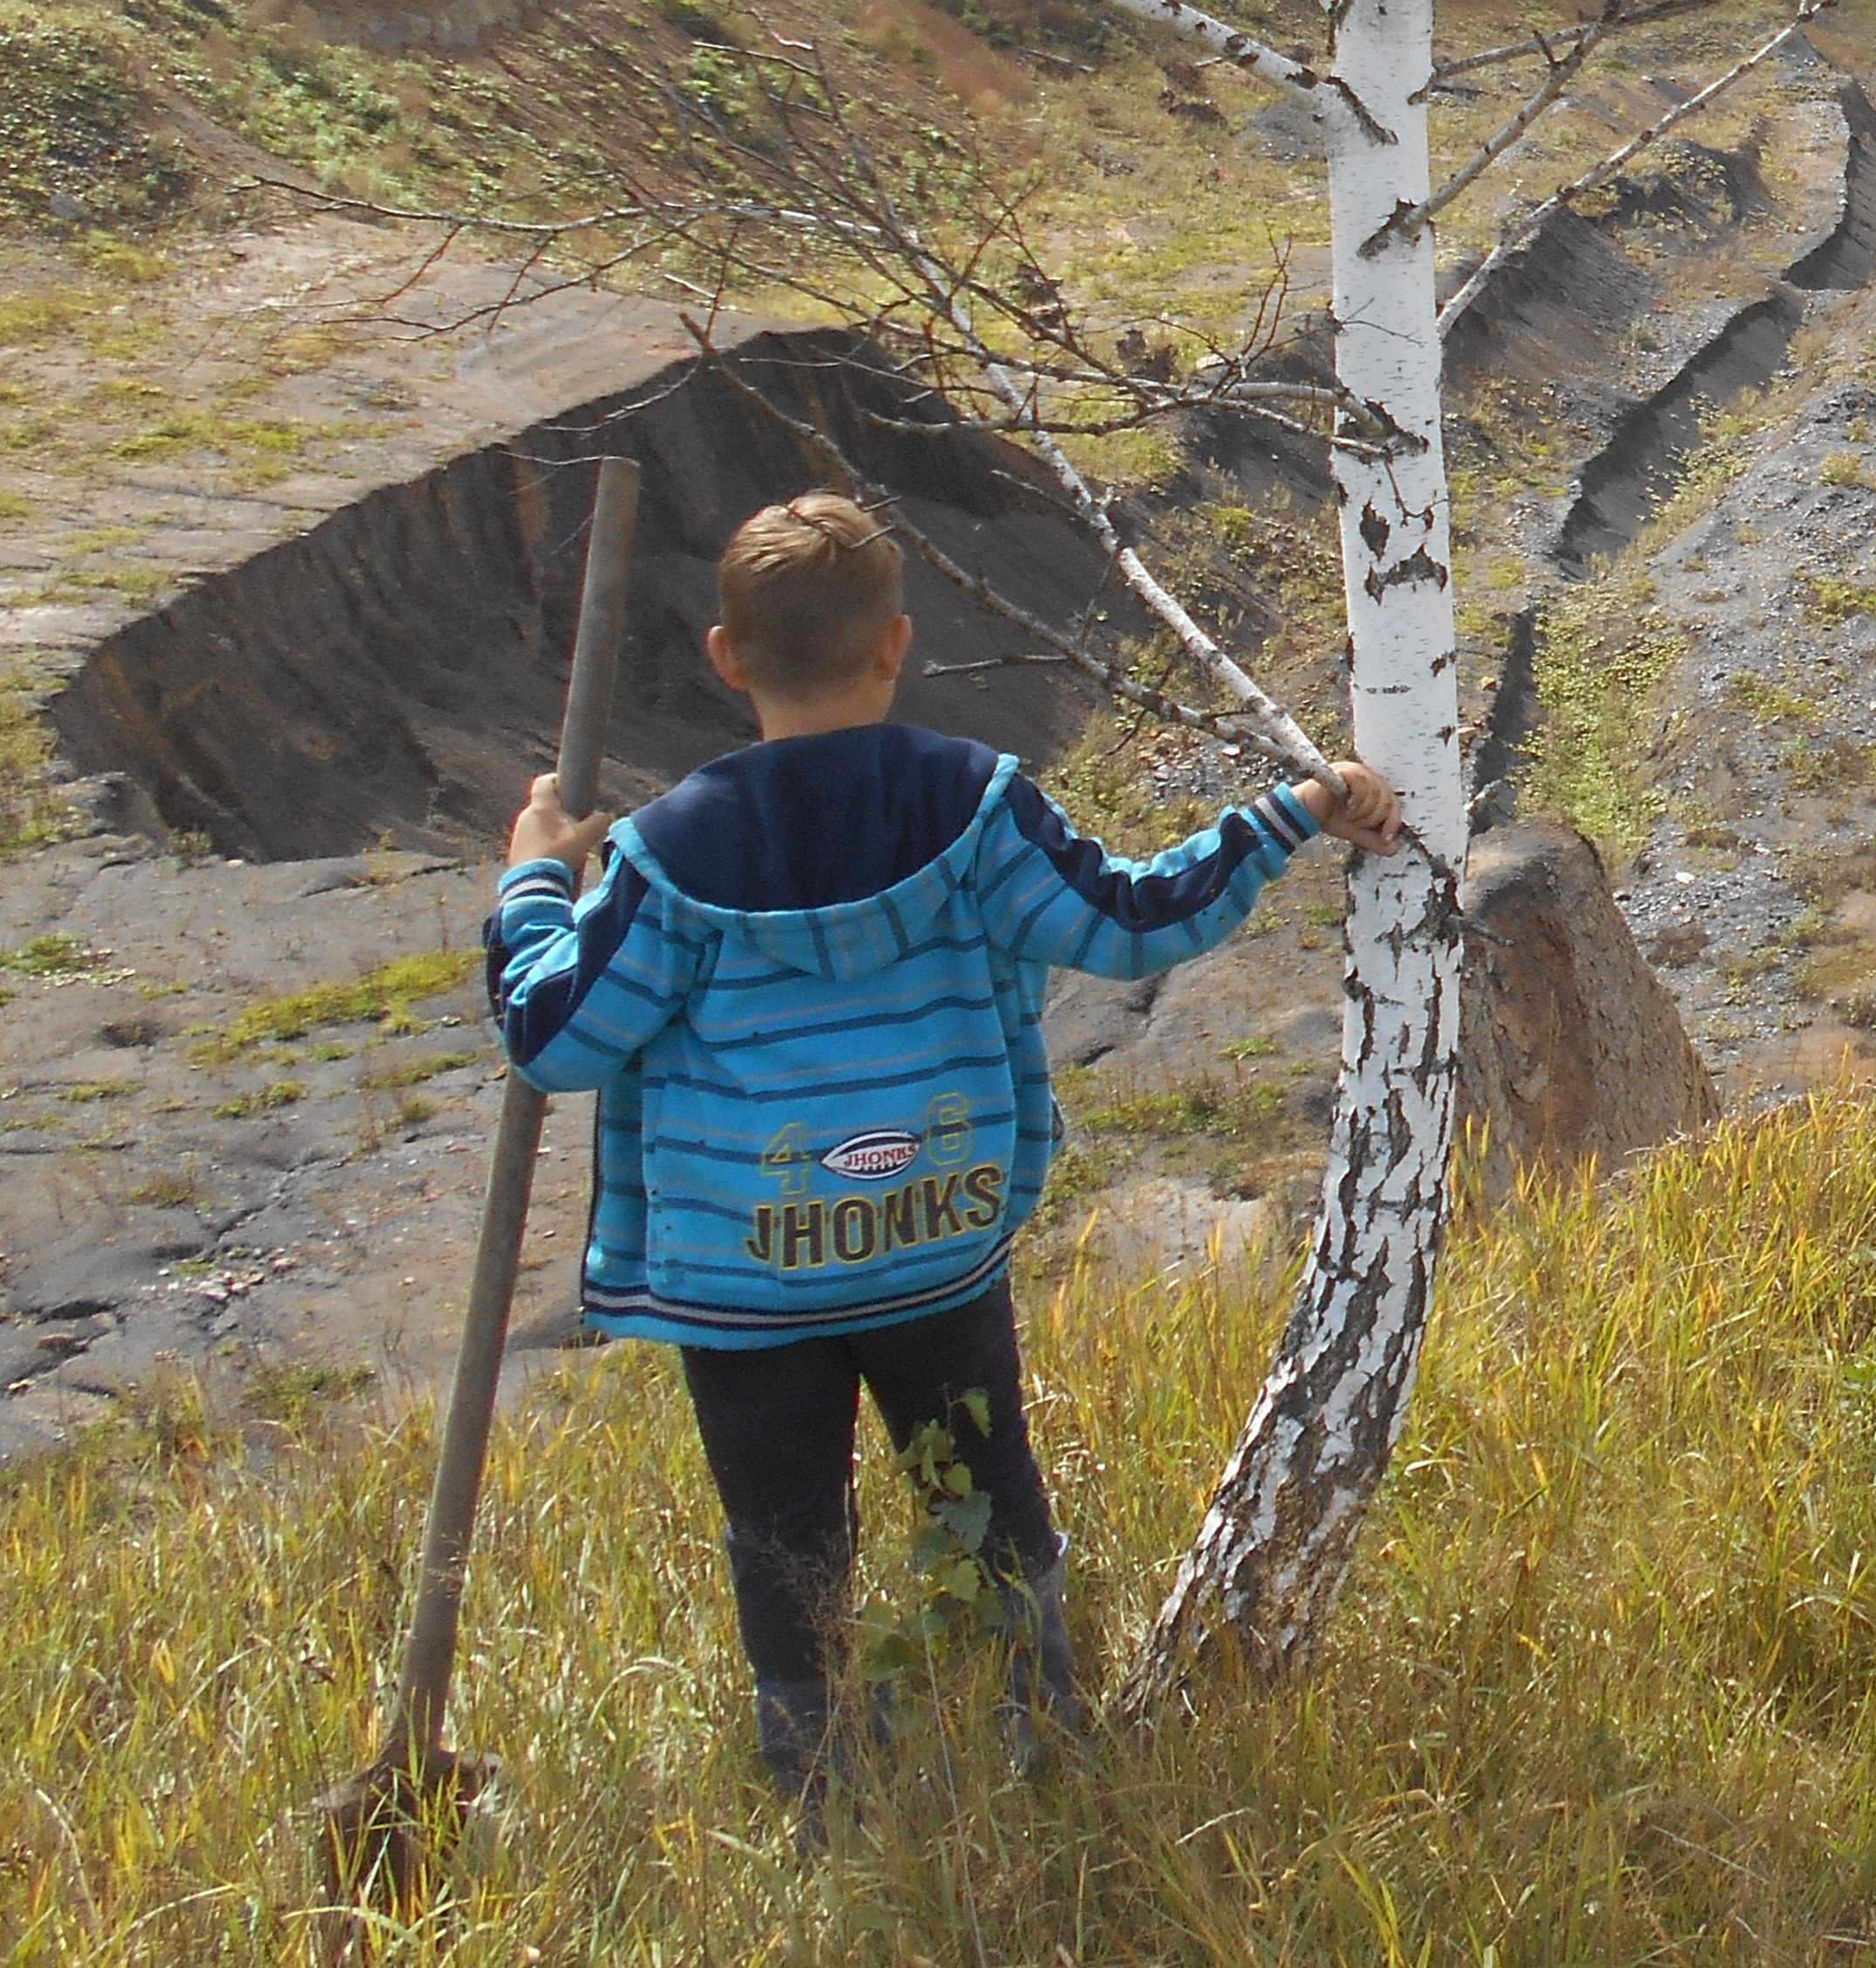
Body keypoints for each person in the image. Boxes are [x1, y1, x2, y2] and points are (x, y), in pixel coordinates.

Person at [482, 491, 1402, 1811]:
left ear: (727, 659)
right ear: (896, 645)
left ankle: (827, 1799)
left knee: (787, 1541)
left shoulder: (663, 859)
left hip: (749, 1292)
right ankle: (1043, 1748)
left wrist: (531, 880)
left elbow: (556, 1039)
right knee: (986, 1497)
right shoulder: (977, 811)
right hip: (934, 1248)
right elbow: (1135, 923)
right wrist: (1291, 814)